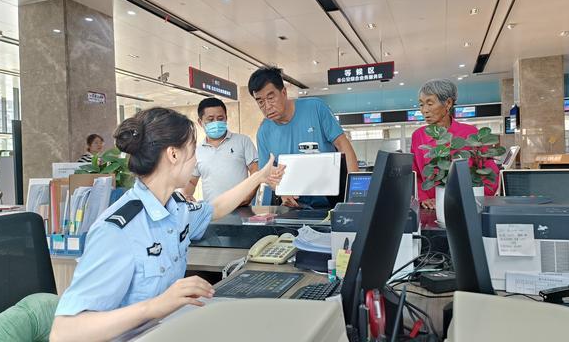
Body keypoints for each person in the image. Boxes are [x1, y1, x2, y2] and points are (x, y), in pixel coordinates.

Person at [50, 107, 284, 341]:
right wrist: (155, 306)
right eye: (192, 152)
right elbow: (65, 333)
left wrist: (260, 177)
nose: (196, 160)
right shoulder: (117, 230)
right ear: (173, 154)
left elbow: (216, 208)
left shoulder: (176, 208)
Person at [248, 66, 359, 208]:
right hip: (293, 205)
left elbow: (343, 146)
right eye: (260, 101)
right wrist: (281, 191)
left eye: (271, 97)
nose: (267, 106)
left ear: (284, 92)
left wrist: (354, 193)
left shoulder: (315, 108)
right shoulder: (264, 131)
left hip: (331, 200)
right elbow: (267, 173)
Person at [411, 78, 499, 210]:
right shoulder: (418, 136)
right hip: (432, 209)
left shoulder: (471, 133)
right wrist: (424, 199)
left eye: (430, 104)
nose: (424, 110)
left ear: (448, 103)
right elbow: (414, 175)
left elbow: (490, 174)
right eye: (421, 104)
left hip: (466, 206)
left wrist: (474, 198)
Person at [182, 98, 258, 205]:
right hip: (212, 212)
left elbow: (255, 171)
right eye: (210, 119)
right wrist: (186, 195)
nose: (216, 122)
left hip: (241, 208)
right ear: (200, 122)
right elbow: (191, 182)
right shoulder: (197, 152)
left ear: (226, 118)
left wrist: (249, 195)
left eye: (220, 118)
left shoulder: (242, 141)